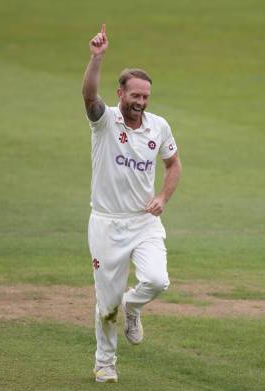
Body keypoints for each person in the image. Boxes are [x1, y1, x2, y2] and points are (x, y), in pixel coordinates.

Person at [82, 24, 182, 383]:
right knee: (106, 303)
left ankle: (134, 306)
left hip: (144, 221)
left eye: (145, 97)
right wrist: (97, 59)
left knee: (156, 280)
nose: (140, 102)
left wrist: (162, 197)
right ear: (120, 93)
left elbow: (173, 165)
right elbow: (89, 97)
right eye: (134, 95)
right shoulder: (105, 122)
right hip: (107, 223)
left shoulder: (159, 127)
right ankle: (105, 364)